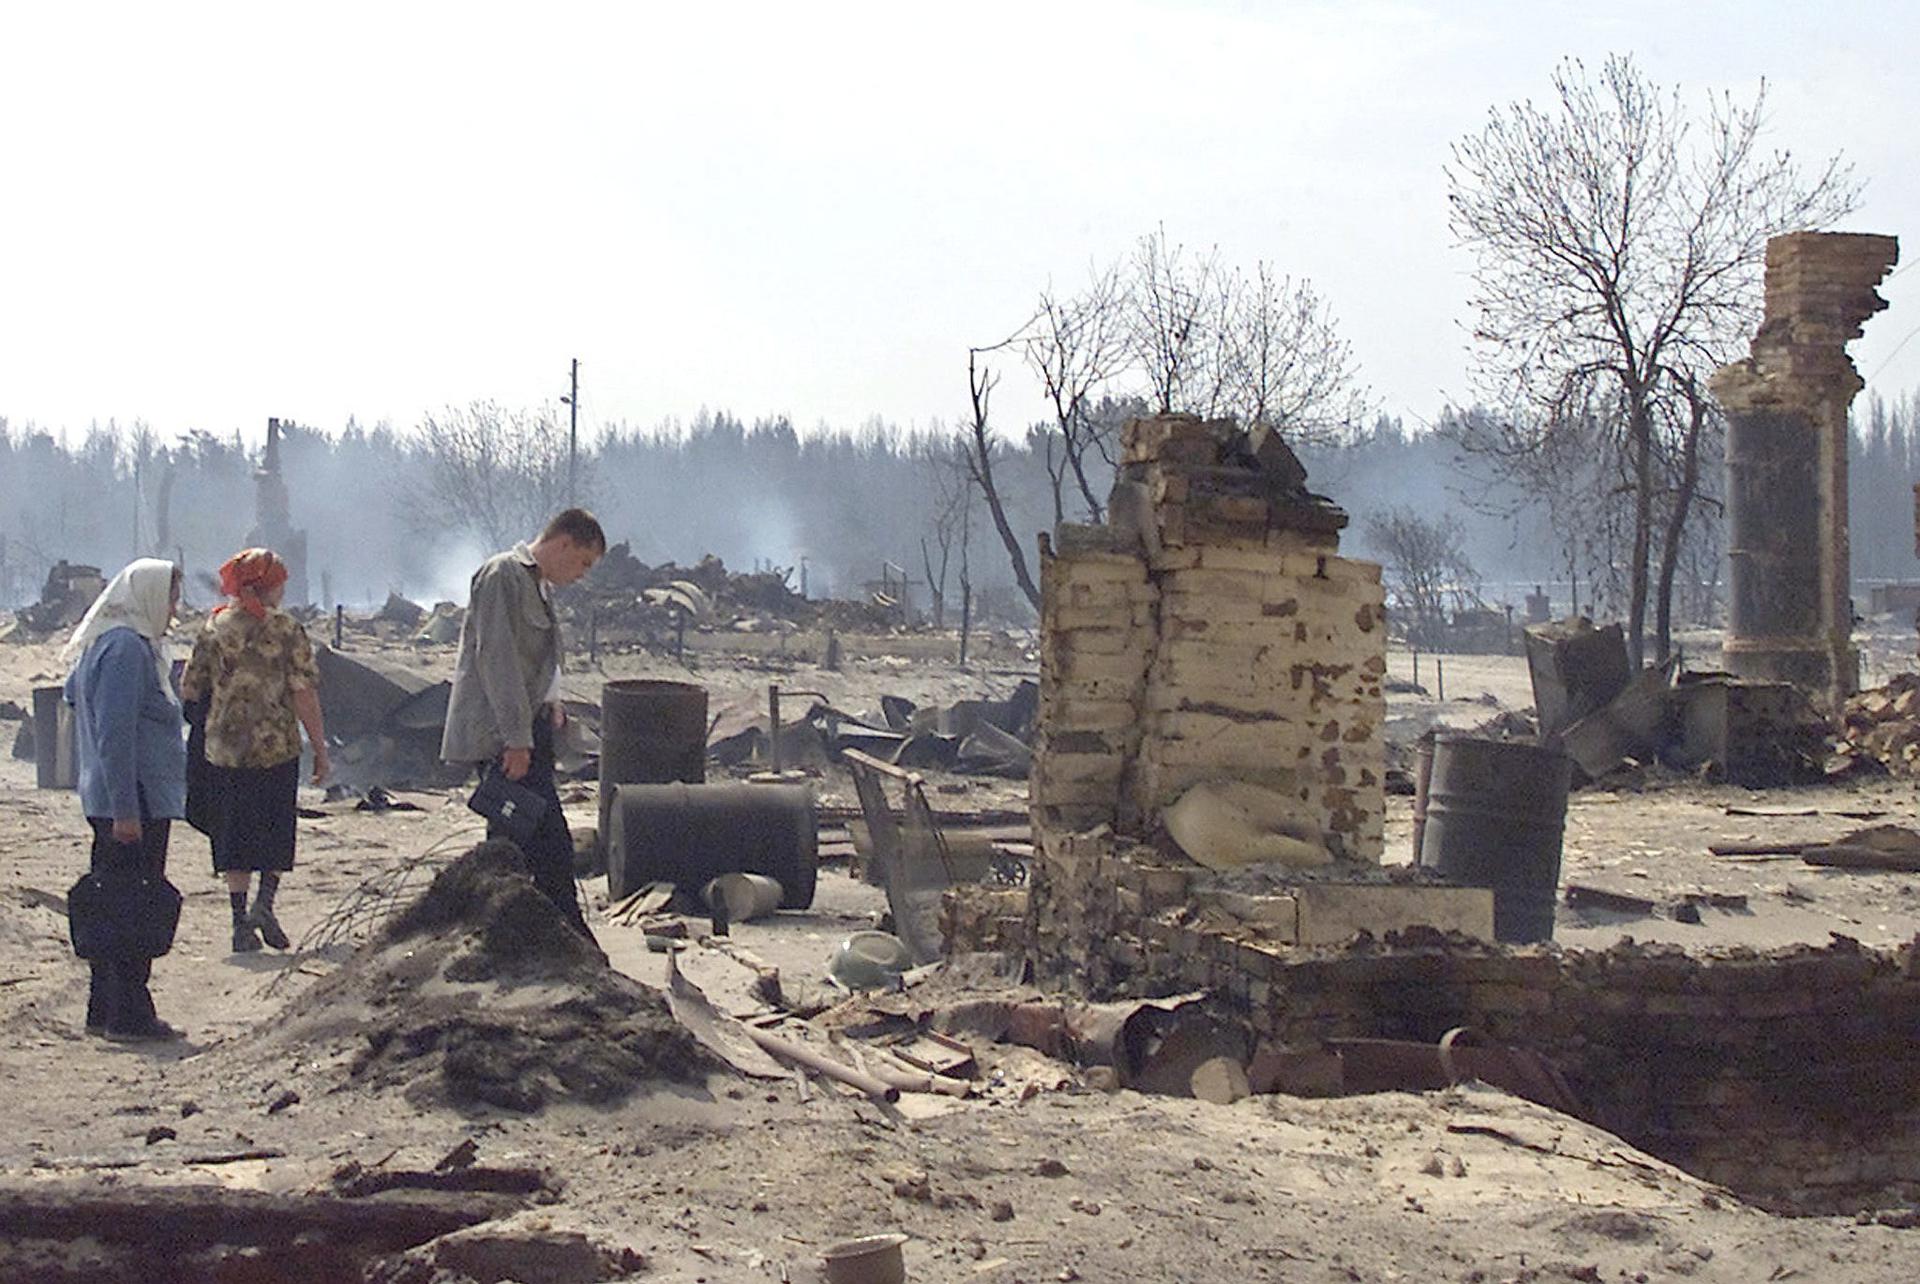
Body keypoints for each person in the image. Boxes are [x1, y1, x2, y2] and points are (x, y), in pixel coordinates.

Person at [441, 508, 604, 936]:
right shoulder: (504, 576)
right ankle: (546, 933)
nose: (581, 574)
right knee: (538, 841)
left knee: (528, 839)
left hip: (532, 729)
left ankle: (523, 931)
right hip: (506, 734)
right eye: (583, 562)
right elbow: (498, 661)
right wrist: (515, 739)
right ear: (564, 543)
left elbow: (536, 663)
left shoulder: (539, 586)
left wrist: (551, 703)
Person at [62, 558, 187, 1042]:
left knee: (109, 901)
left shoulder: (102, 642)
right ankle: (130, 1013)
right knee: (135, 906)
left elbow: (75, 696)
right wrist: (127, 811)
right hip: (131, 797)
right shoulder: (127, 650)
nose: (174, 609)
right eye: (170, 597)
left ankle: (103, 1007)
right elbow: (116, 733)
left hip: (112, 794)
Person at [180, 548, 328, 953]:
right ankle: (265, 905)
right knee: (275, 829)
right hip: (276, 749)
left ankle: (238, 922)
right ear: (269, 586)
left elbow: (191, 687)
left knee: (234, 835)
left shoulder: (214, 627)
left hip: (225, 751)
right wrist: (319, 745)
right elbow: (303, 692)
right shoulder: (287, 630)